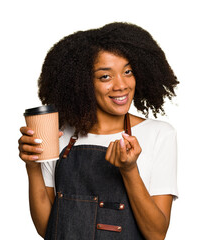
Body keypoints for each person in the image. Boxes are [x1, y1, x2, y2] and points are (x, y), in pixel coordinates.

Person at [18, 22, 179, 240]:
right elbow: (48, 228)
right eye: (105, 76)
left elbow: (156, 234)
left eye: (128, 71)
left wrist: (129, 171)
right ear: (82, 83)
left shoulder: (159, 134)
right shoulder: (56, 134)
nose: (121, 85)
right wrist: (32, 166)